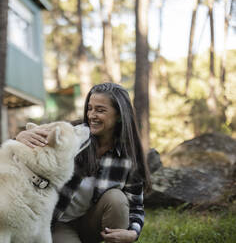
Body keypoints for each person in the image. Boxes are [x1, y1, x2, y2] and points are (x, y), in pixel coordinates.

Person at [16, 83, 151, 243]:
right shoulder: (71, 133)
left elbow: (135, 206)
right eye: (90, 108)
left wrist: (133, 233)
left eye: (100, 110)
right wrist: (19, 139)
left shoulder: (129, 155)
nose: (92, 115)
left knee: (117, 198)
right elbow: (30, 149)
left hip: (91, 224)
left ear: (120, 115)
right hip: (58, 223)